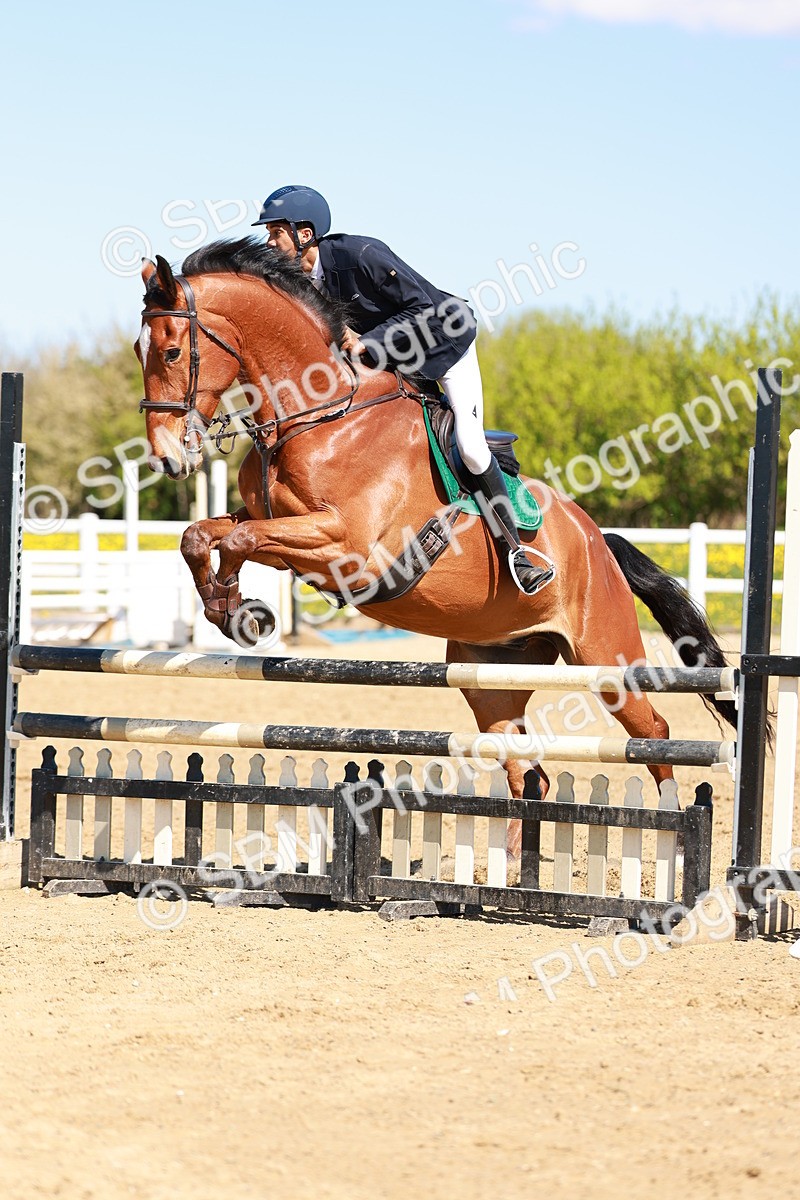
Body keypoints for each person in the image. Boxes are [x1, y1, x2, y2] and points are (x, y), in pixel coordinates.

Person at [252, 184, 553, 595]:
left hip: (445, 345)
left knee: (469, 445)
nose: (270, 242)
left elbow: (424, 308)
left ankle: (517, 552)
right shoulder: (298, 282)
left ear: (304, 233)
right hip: (390, 361)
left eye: (275, 233)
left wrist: (368, 342)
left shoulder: (361, 255)